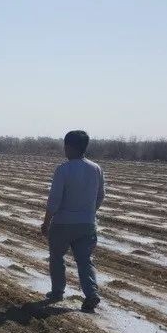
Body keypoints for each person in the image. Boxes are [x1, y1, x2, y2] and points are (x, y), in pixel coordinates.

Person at [42, 130, 105, 312]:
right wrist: (89, 213)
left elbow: (54, 200)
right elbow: (101, 196)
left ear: (69, 147)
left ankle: (57, 292)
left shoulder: (63, 169)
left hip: (63, 223)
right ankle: (91, 294)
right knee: (85, 261)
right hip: (87, 224)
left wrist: (46, 223)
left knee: (56, 257)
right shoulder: (96, 168)